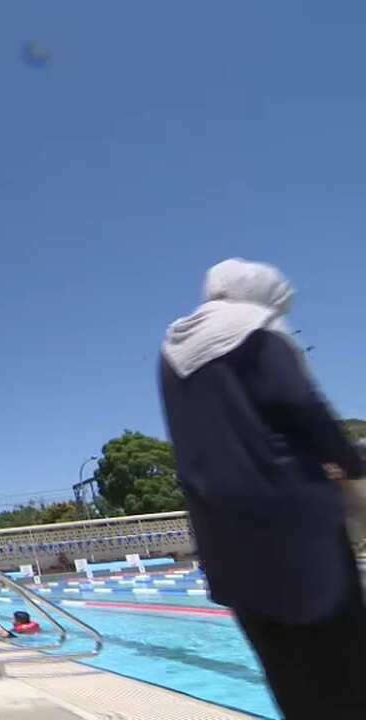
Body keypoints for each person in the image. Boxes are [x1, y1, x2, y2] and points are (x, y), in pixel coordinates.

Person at [158, 258, 366, 717]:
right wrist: (352, 465)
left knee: (286, 669)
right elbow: (299, 403)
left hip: (222, 535)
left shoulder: (172, 352)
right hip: (295, 519)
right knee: (346, 661)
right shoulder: (255, 328)